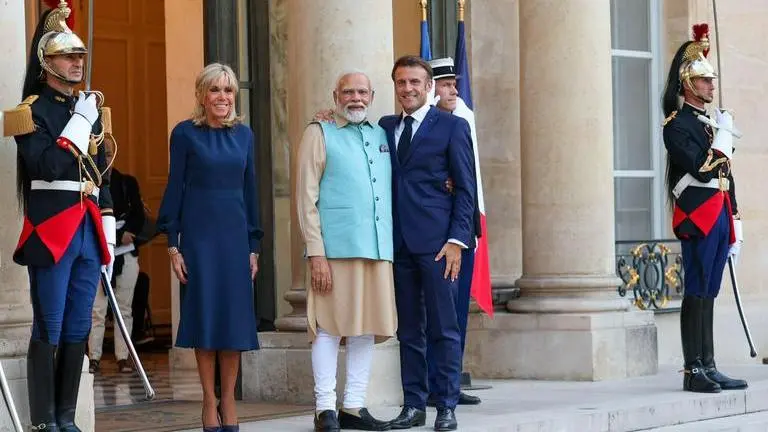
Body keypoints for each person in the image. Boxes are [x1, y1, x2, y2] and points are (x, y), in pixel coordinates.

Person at [2, 3, 116, 430]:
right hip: (52, 229)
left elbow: (102, 170)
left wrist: (105, 220)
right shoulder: (32, 111)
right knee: (48, 322)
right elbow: (46, 167)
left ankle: (67, 417)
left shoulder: (87, 107)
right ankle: (44, 419)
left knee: (78, 324)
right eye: (69, 57)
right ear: (47, 63)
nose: (77, 63)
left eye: (80, 57)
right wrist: (79, 123)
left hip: (86, 228)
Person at [157, 63, 262, 432]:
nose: (222, 97)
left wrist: (254, 245)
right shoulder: (185, 134)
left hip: (235, 240)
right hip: (199, 239)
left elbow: (251, 193)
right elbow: (174, 189)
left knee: (232, 323)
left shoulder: (245, 136)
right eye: (215, 90)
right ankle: (208, 401)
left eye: (228, 90)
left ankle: (229, 401)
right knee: (205, 320)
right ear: (202, 95)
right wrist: (173, 245)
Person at [297, 71, 397, 432]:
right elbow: (305, 197)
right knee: (328, 327)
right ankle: (325, 407)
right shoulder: (318, 132)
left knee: (365, 328)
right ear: (335, 95)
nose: (355, 98)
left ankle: (354, 405)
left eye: (361, 92)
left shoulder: (381, 134)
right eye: (348, 92)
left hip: (377, 246)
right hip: (334, 250)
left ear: (371, 96)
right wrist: (315, 252)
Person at [380, 55, 476, 432]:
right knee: (409, 330)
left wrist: (457, 240)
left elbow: (466, 188)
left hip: (439, 246)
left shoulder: (452, 127)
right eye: (401, 82)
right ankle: (413, 405)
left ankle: (446, 406)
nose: (408, 89)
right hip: (399, 244)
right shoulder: (384, 128)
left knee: (444, 327)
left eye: (414, 83)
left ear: (429, 86)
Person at [662, 24, 747, 393]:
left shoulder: (712, 124)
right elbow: (700, 166)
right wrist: (725, 136)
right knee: (696, 288)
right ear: (687, 84)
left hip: (720, 213)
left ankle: (709, 364)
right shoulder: (677, 125)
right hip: (697, 216)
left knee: (710, 290)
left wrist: (737, 219)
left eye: (711, 80)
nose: (712, 86)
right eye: (704, 81)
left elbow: (726, 175)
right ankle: (692, 369)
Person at [425, 57, 482, 407]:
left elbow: (467, 181)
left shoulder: (462, 121)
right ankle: (435, 383)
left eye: (453, 84)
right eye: (446, 84)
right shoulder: (419, 127)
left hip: (462, 231)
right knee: (434, 315)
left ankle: (450, 380)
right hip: (433, 235)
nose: (454, 90)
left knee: (457, 311)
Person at [89, 168, 145, 374]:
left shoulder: (126, 182)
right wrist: (116, 234)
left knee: (124, 308)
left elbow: (139, 214)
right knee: (97, 309)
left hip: (126, 254)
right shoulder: (89, 179)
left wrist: (123, 233)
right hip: (98, 253)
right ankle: (94, 357)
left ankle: (123, 357)